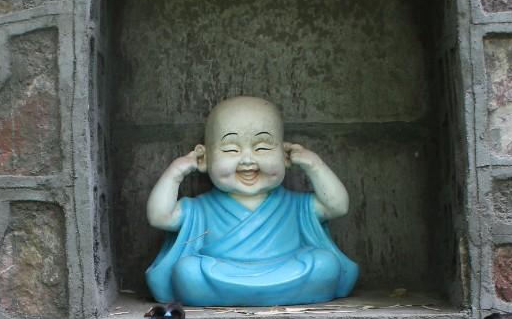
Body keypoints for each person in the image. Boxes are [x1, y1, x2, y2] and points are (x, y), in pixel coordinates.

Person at [145, 96, 358, 306]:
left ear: (284, 155)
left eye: (262, 148)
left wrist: (314, 165)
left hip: (286, 269)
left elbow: (337, 207)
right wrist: (176, 173)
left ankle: (236, 295)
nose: (247, 160)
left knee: (324, 263)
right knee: (188, 270)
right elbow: (160, 218)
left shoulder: (296, 206)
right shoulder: (200, 209)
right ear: (205, 158)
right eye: (231, 149)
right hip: (221, 272)